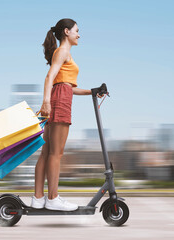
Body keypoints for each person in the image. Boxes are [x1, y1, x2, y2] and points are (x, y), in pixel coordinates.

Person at [30, 18, 103, 211]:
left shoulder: (63, 53)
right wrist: (45, 101)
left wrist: (92, 91)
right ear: (66, 32)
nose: (79, 35)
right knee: (56, 153)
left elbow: (66, 86)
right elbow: (50, 77)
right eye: (77, 31)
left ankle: (38, 198)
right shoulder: (62, 51)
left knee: (46, 152)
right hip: (58, 100)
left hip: (59, 95)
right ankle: (53, 198)